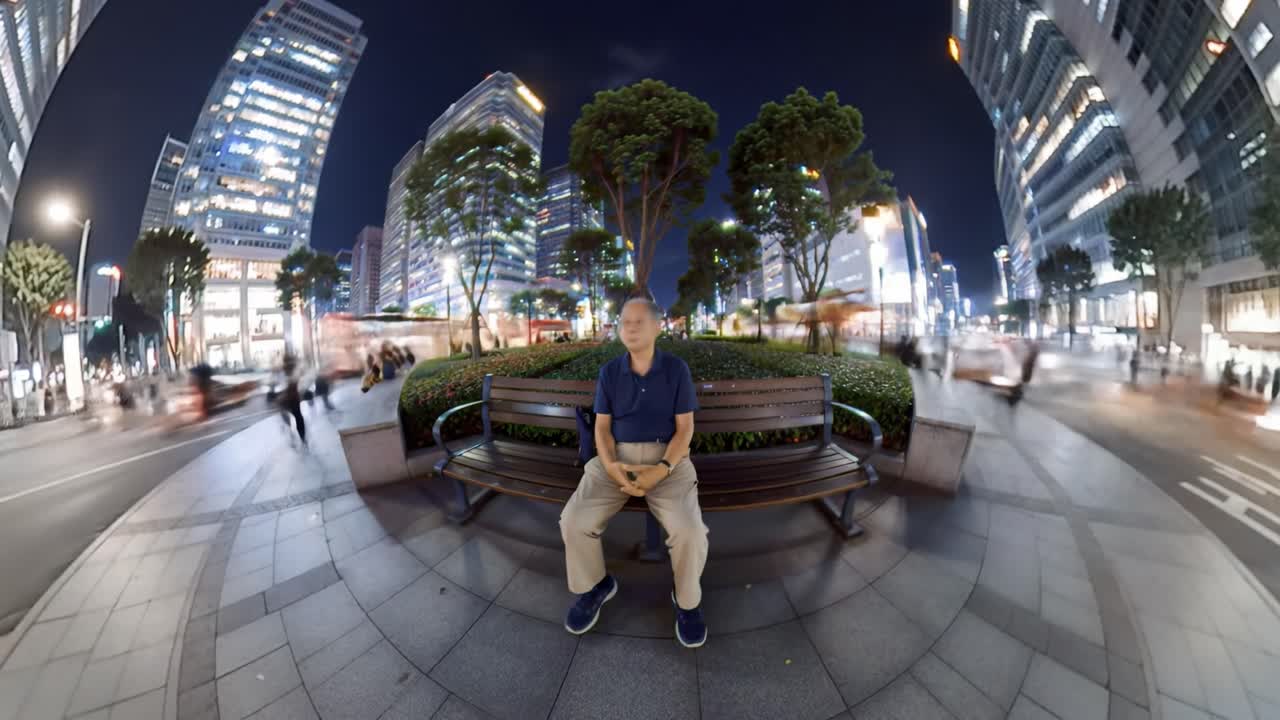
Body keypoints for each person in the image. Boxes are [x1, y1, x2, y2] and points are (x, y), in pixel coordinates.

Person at [559, 298, 709, 648]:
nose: (631, 327)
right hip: (616, 460)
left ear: (658, 327)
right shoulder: (610, 372)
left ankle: (687, 602)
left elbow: (685, 429)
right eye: (625, 321)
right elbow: (602, 428)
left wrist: (662, 468)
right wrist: (610, 465)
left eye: (640, 321)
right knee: (574, 520)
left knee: (689, 531)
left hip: (669, 460)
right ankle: (596, 585)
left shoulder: (676, 370)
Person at [279, 355, 306, 445]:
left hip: (288, 399)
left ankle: (293, 433)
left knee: (293, 417)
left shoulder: (286, 371)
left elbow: (285, 384)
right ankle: (302, 438)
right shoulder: (293, 370)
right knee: (298, 418)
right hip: (293, 399)